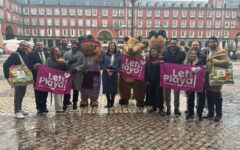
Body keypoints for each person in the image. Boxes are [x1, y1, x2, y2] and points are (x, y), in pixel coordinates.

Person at [204, 36, 230, 122]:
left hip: (217, 76)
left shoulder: (222, 51)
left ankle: (218, 114)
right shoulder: (209, 51)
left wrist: (214, 61)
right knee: (209, 95)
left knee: (217, 97)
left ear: (217, 43)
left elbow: (226, 62)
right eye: (210, 42)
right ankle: (210, 113)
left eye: (213, 42)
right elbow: (208, 62)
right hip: (208, 76)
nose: (211, 43)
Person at [3, 41, 31, 119]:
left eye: (26, 46)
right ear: (20, 46)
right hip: (17, 77)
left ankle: (20, 109)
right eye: (23, 46)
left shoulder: (26, 54)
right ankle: (16, 111)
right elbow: (6, 65)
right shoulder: (15, 54)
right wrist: (7, 76)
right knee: (18, 94)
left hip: (25, 77)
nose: (24, 47)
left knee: (22, 93)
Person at [162, 38, 186, 115]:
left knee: (177, 94)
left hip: (177, 77)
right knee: (167, 94)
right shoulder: (165, 52)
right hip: (168, 77)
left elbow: (184, 62)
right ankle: (168, 108)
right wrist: (161, 62)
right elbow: (161, 60)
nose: (173, 45)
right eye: (172, 43)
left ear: (177, 44)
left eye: (175, 43)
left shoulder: (182, 53)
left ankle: (176, 109)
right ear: (170, 43)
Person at [183, 48, 206, 120]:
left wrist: (204, 68)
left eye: (194, 54)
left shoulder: (200, 62)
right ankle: (190, 113)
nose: (193, 55)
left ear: (197, 55)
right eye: (191, 54)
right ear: (189, 55)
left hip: (199, 83)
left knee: (201, 98)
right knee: (190, 98)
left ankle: (199, 113)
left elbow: (205, 69)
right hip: (190, 83)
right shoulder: (186, 63)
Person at [63, 41, 86, 110]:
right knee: (67, 89)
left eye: (76, 45)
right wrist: (68, 62)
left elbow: (84, 64)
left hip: (77, 74)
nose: (74, 46)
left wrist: (77, 68)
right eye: (73, 45)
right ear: (71, 46)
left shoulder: (81, 54)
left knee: (76, 89)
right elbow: (62, 62)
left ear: (77, 46)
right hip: (68, 74)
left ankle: (75, 102)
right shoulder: (66, 53)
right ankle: (65, 102)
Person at [29, 41, 49, 113]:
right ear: (35, 46)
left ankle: (44, 106)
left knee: (45, 92)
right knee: (38, 92)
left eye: (41, 45)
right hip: (37, 76)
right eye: (38, 45)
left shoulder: (47, 53)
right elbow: (29, 65)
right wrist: (34, 66)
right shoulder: (31, 54)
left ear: (43, 46)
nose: (40, 46)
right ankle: (39, 107)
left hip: (46, 76)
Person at [47, 47, 67, 112]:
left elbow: (65, 68)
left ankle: (60, 106)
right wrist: (57, 62)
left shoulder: (61, 58)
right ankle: (58, 109)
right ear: (53, 52)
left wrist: (64, 63)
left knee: (60, 92)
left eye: (58, 50)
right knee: (57, 93)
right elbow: (49, 68)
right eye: (56, 51)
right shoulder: (50, 59)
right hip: (54, 78)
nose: (58, 52)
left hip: (61, 78)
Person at [100, 42, 121, 108]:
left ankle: (112, 101)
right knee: (106, 87)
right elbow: (101, 63)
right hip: (106, 72)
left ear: (115, 47)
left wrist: (114, 71)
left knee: (113, 88)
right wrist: (106, 70)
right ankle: (108, 101)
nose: (112, 47)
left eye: (113, 46)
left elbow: (120, 65)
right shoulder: (104, 54)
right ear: (109, 47)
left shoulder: (118, 55)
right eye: (111, 46)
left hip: (114, 73)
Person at [145, 49, 164, 116]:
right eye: (152, 52)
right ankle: (154, 107)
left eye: (154, 51)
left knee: (159, 94)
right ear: (150, 53)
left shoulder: (161, 59)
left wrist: (163, 63)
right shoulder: (148, 61)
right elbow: (146, 71)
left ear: (157, 52)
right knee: (152, 94)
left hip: (159, 80)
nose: (153, 53)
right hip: (151, 80)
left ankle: (161, 108)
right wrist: (146, 80)